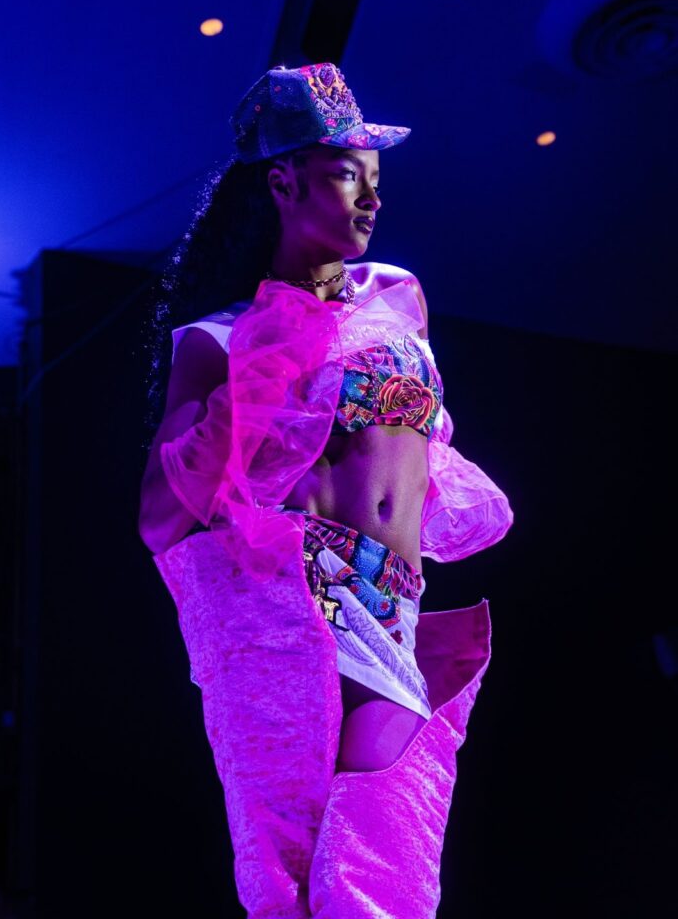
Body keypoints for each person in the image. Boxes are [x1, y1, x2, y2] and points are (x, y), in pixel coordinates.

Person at [139, 62, 513, 919]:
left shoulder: (398, 297)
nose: (372, 198)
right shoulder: (220, 339)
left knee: (387, 870)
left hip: (394, 600)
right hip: (287, 603)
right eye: (348, 175)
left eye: (375, 178)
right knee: (293, 874)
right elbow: (158, 518)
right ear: (283, 183)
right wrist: (257, 374)